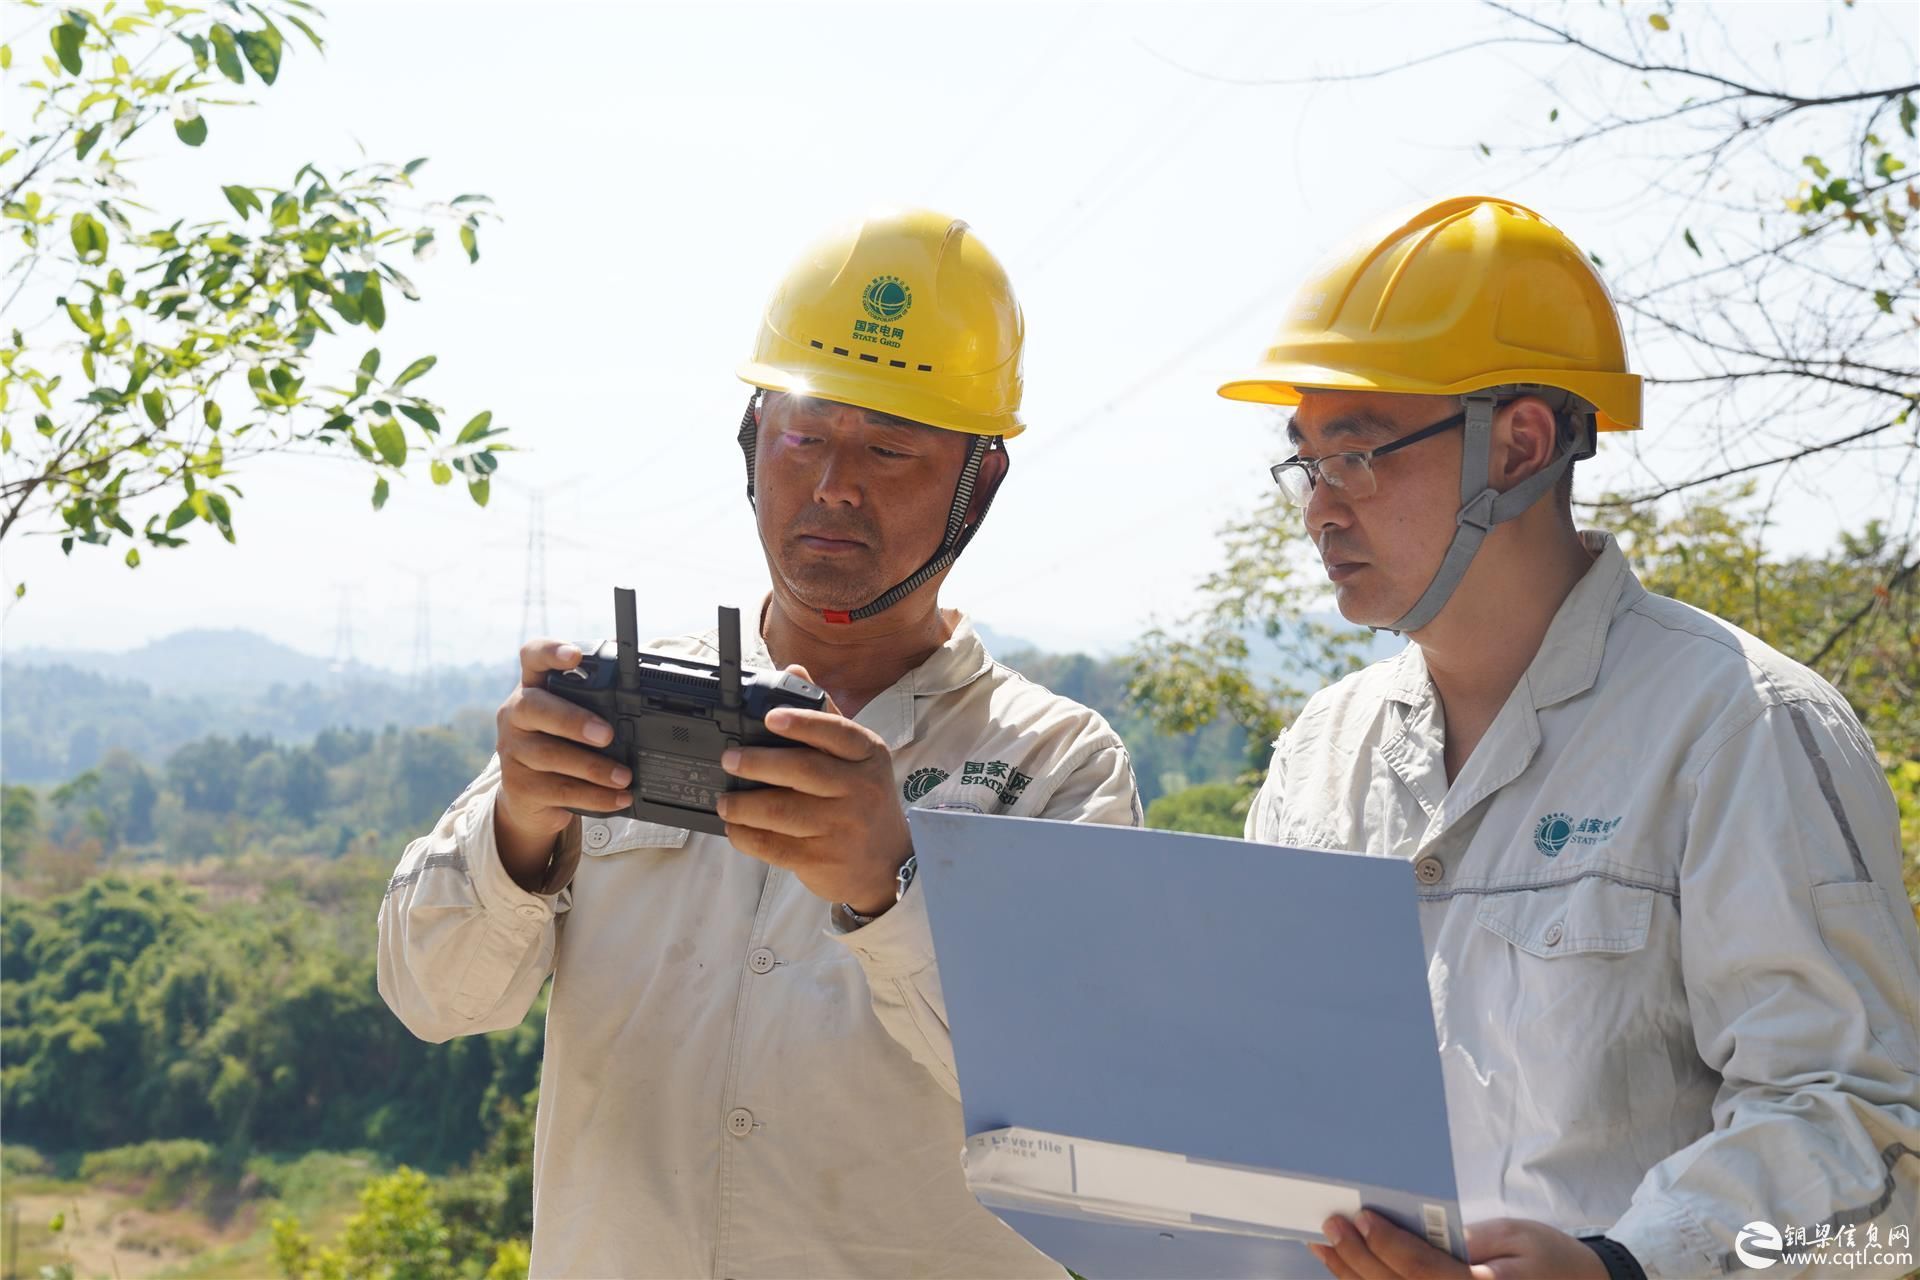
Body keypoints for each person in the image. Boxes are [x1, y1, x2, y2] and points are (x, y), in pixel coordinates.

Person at [378, 208, 1141, 1278]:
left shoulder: (1057, 765)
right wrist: (518, 829)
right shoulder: (622, 698)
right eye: (806, 435)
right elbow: (434, 996)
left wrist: (894, 888)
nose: (835, 484)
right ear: (751, 438)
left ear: (982, 482)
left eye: (891, 448)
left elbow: (1081, 1122)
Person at [1217, 195, 1920, 1279]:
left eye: (1356, 454)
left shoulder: (1738, 726)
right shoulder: (1324, 752)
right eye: (1304, 459)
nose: (1318, 507)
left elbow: (1870, 1148)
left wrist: (1620, 1266)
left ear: (1521, 442)